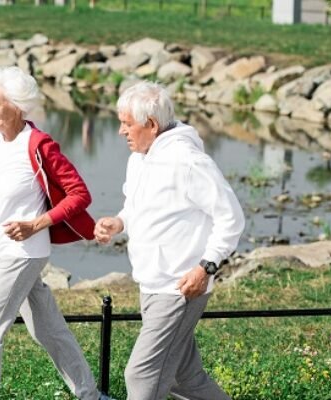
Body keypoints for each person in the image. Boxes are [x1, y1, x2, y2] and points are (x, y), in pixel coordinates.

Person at [0, 66, 112, 400]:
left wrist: (35, 224)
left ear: (17, 106)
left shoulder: (38, 145)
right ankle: (90, 395)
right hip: (5, 249)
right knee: (48, 330)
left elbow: (79, 194)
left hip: (24, 254)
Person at [93, 81, 245, 400]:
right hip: (151, 283)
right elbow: (137, 207)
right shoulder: (140, 158)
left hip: (179, 288)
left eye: (126, 123)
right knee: (182, 377)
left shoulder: (187, 161)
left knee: (141, 375)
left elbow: (231, 216)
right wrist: (120, 222)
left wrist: (206, 267)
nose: (121, 131)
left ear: (151, 124)